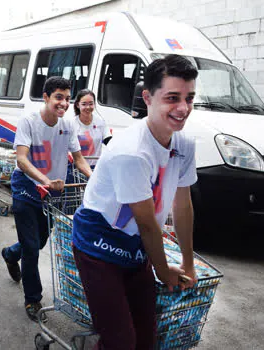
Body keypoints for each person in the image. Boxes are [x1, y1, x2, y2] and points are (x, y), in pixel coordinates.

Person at [72, 54, 199, 349]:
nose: (183, 108)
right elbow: (145, 222)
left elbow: (183, 206)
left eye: (189, 98)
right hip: (99, 245)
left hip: (135, 246)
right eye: (172, 98)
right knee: (121, 341)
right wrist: (164, 270)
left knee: (146, 339)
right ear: (148, 97)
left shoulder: (184, 144)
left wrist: (188, 264)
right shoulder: (132, 151)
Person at [1, 77, 92, 322]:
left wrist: (95, 178)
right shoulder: (29, 121)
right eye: (58, 97)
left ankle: (10, 253)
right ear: (46, 97)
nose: (63, 103)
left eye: (67, 98)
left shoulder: (68, 126)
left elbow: (79, 158)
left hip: (53, 193)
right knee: (31, 248)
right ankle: (33, 299)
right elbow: (22, 159)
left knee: (39, 241)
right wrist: (44, 180)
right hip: (27, 189)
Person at [71, 89, 112, 167]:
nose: (88, 107)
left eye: (91, 104)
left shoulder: (100, 122)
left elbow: (109, 140)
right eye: (84, 104)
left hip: (94, 167)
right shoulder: (72, 124)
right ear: (77, 105)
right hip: (75, 169)